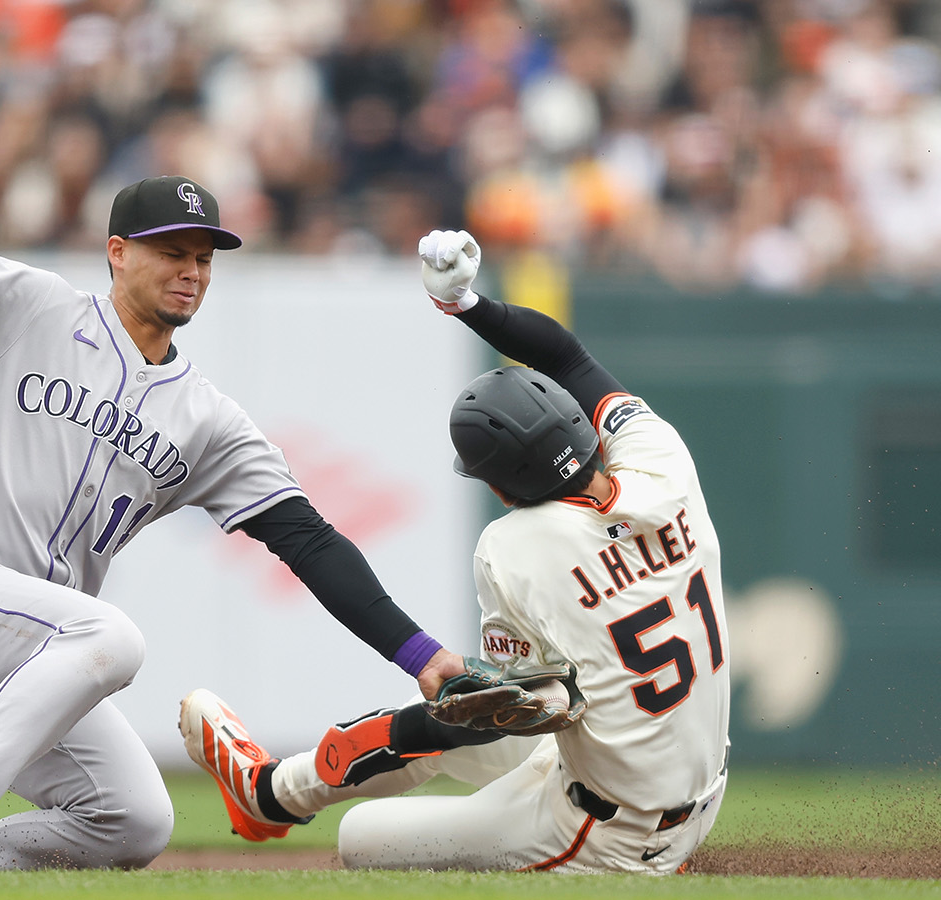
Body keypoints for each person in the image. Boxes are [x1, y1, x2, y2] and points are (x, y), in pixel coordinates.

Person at [0, 71, 467, 873]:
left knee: (132, 824)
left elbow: (309, 541)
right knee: (110, 634)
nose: (192, 271)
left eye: (204, 257)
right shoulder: (35, 308)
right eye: (173, 251)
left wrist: (424, 658)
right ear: (117, 251)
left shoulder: (206, 419)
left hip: (33, 657)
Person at [179, 229, 731, 874]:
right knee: (454, 723)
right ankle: (270, 792)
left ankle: (275, 797)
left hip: (607, 832)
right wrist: (472, 303)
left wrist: (452, 694)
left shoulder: (515, 546)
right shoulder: (665, 463)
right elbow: (569, 357)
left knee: (367, 833)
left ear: (497, 486)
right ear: (580, 426)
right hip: (697, 789)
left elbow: (507, 709)